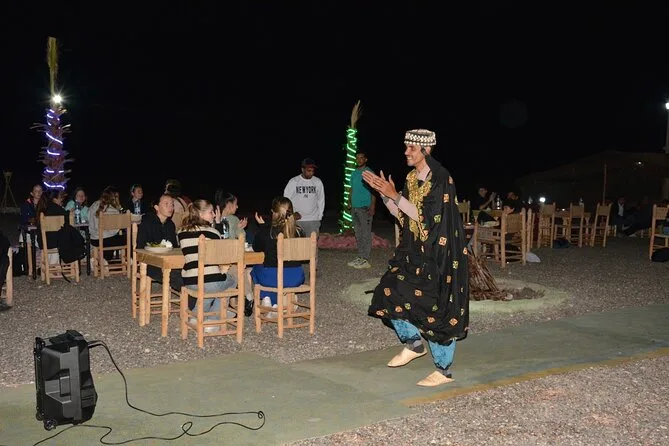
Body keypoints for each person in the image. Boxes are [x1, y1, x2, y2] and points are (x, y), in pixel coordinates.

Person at [362, 129, 469, 387]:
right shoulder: (412, 178)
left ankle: (443, 370)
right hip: (415, 252)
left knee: (436, 308)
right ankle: (414, 343)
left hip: (440, 255)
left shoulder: (441, 178)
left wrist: (394, 195)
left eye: (411, 148)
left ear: (426, 150)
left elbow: (430, 219)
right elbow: (405, 215)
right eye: (406, 147)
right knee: (389, 289)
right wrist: (385, 195)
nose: (406, 152)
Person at [177, 199, 236, 332]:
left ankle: (196, 315)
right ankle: (213, 320)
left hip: (189, 281)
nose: (214, 215)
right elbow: (223, 252)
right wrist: (218, 224)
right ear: (201, 214)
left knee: (209, 289)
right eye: (211, 212)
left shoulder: (181, 232)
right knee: (232, 281)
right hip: (209, 281)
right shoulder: (212, 232)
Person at [251, 197, 305, 312]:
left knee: (254, 270)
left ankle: (267, 297)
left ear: (274, 213)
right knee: (275, 274)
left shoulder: (267, 231)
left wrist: (263, 228)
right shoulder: (299, 231)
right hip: (295, 276)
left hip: (272, 277)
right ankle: (278, 303)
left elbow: (257, 248)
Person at [136, 194, 183, 291]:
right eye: (166, 204)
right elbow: (140, 247)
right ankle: (194, 296)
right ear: (157, 207)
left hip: (168, 261)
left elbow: (174, 247)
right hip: (150, 263)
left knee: (189, 271)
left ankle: (195, 294)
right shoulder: (147, 222)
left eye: (172, 204)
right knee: (175, 275)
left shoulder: (170, 225)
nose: (170, 207)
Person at [283, 157, 325, 244]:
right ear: (302, 169)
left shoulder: (317, 182)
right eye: (308, 170)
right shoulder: (294, 181)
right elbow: (286, 200)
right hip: (297, 220)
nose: (311, 173)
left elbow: (321, 199)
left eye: (313, 171)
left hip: (313, 219)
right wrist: (291, 215)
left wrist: (319, 216)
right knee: (298, 245)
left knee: (312, 245)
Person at [347, 151, 376, 269]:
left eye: (361, 157)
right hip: (355, 207)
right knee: (358, 233)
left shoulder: (369, 172)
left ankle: (365, 259)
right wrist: (349, 202)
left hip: (365, 207)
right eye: (357, 158)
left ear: (365, 159)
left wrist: (372, 206)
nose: (359, 160)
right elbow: (352, 188)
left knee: (365, 233)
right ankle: (360, 256)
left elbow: (374, 190)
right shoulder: (354, 173)